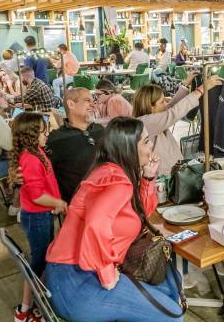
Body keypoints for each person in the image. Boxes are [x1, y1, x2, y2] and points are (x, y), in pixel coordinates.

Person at [45, 117, 183, 322]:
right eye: (145, 141)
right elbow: (95, 223)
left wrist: (147, 178)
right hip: (77, 282)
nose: (151, 145)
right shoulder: (117, 182)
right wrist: (107, 273)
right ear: (128, 147)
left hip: (64, 275)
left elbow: (139, 213)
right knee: (172, 316)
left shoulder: (109, 170)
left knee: (171, 285)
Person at [9, 112, 67, 322]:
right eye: (44, 131)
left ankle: (33, 305)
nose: (47, 134)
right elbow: (37, 195)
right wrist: (58, 203)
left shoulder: (37, 152)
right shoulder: (31, 159)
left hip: (41, 215)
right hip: (38, 218)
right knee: (39, 262)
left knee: (42, 259)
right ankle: (25, 309)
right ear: (32, 135)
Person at [133, 74, 222, 176]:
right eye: (162, 102)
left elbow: (171, 107)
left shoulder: (155, 117)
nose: (166, 104)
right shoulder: (144, 123)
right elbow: (173, 113)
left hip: (176, 173)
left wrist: (184, 86)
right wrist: (200, 90)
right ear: (151, 106)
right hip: (164, 181)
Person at [45, 87, 104, 203]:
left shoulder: (101, 130)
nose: (93, 105)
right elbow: (41, 170)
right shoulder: (56, 139)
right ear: (71, 104)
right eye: (87, 100)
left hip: (106, 198)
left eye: (93, 101)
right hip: (76, 205)